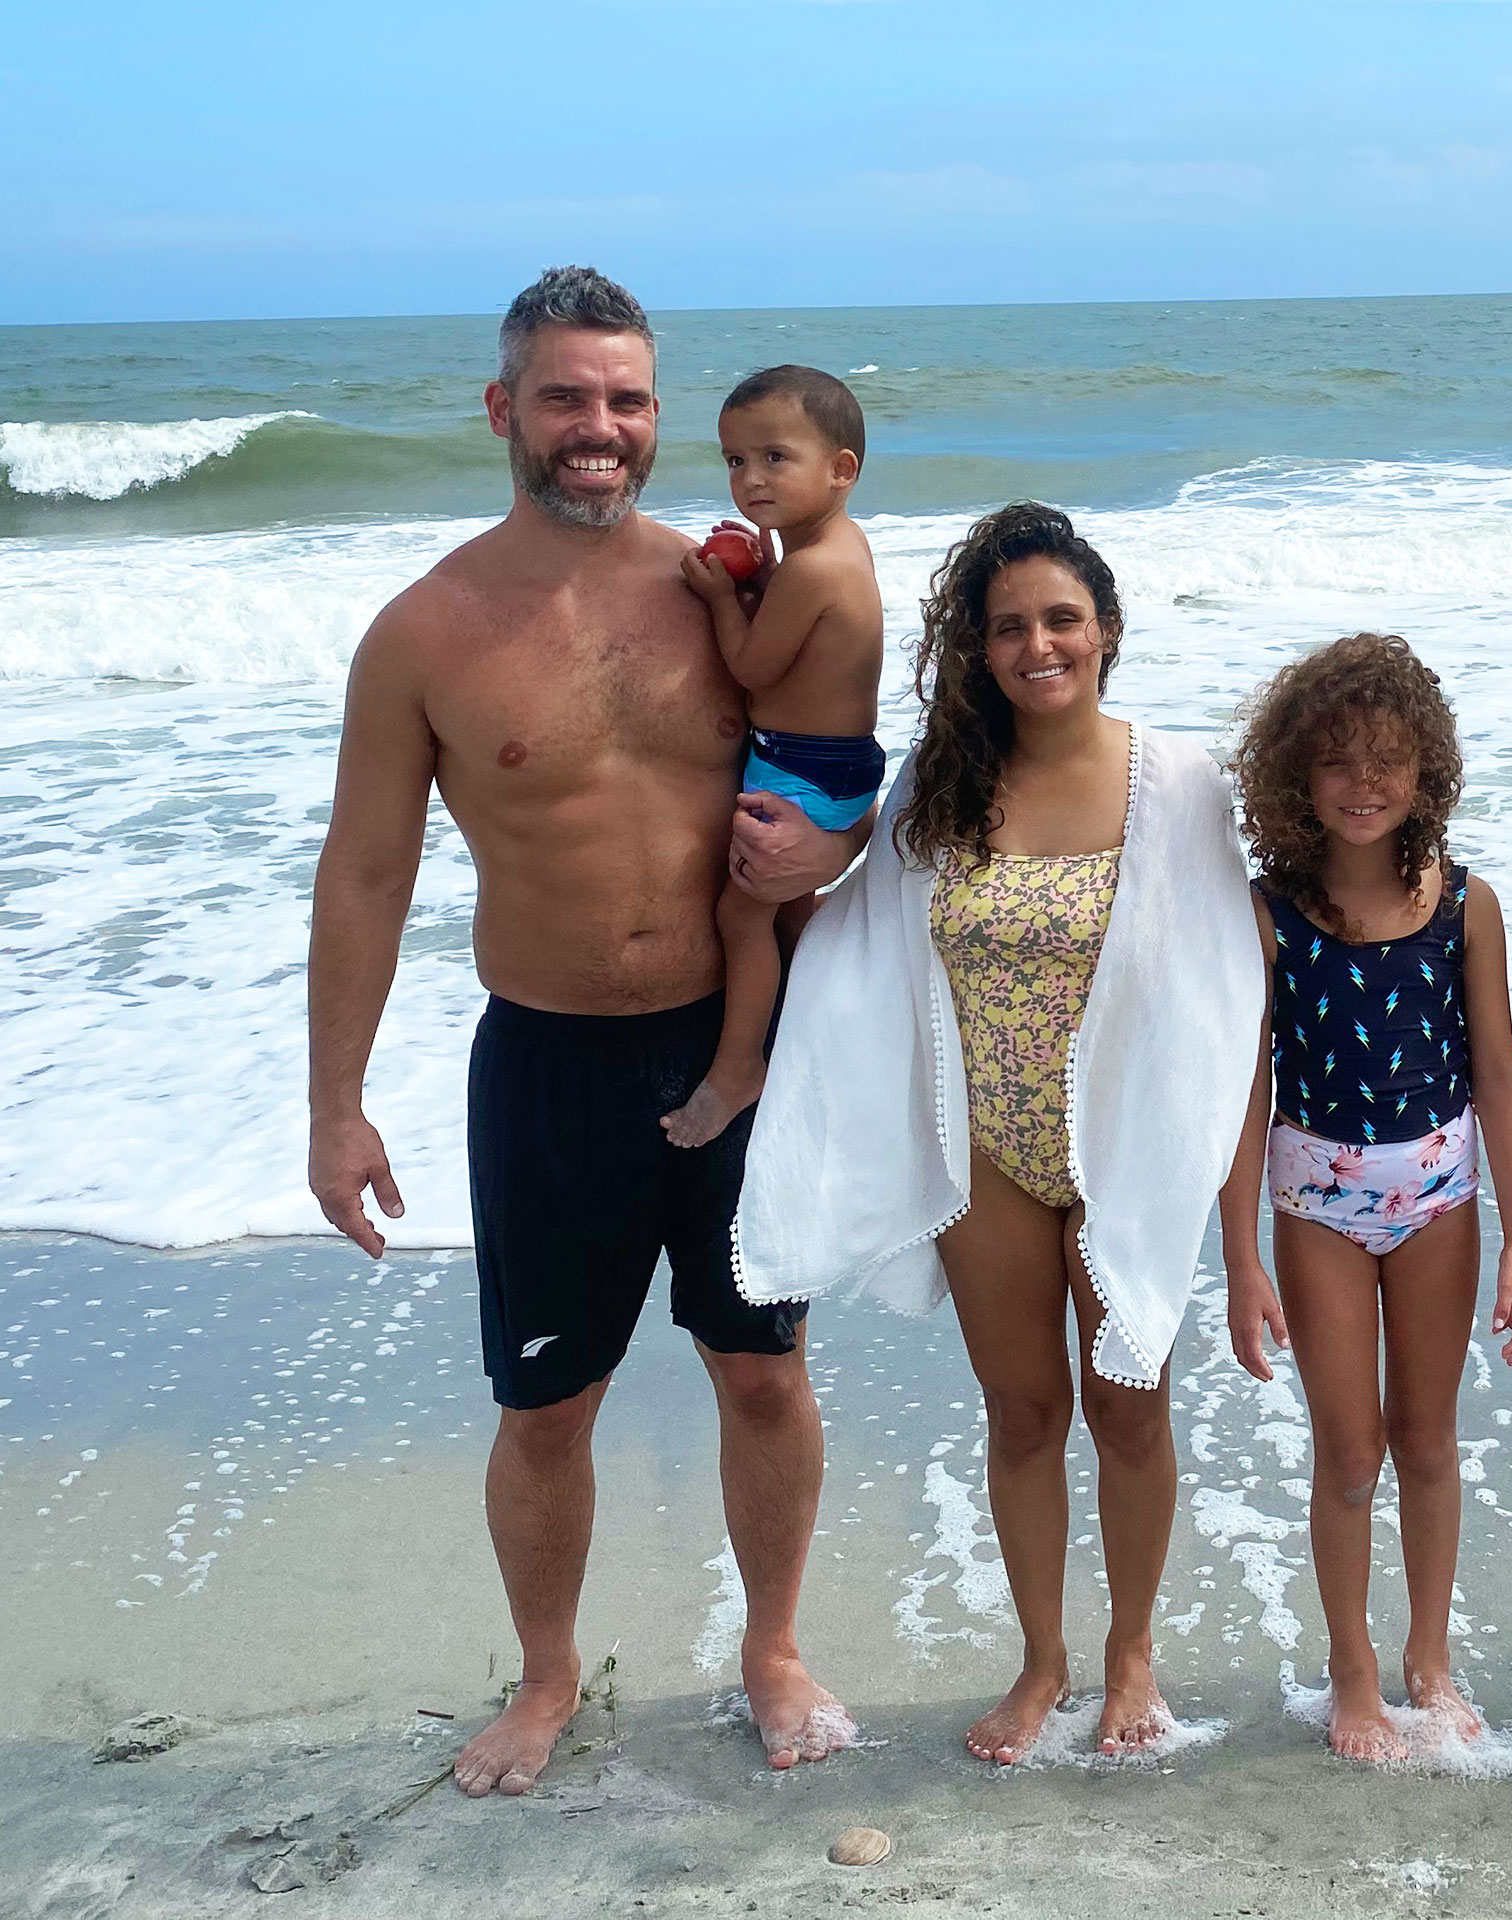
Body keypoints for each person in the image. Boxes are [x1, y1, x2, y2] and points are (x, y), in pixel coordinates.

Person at [305, 267, 850, 1797]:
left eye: (625, 400)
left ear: (657, 418)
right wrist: (333, 1105)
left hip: (737, 1046)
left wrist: (836, 856)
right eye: (564, 396)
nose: (597, 428)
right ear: (503, 412)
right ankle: (547, 1681)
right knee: (547, 1407)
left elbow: (837, 779)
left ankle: (775, 1650)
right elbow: (363, 872)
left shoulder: (733, 595)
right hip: (546, 1065)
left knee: (764, 1374)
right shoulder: (425, 631)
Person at [732, 502, 1264, 1762]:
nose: (1039, 643)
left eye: (1062, 618)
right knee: (1021, 1415)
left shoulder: (1179, 785)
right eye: (1010, 624)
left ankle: (1132, 1659)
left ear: (1108, 630)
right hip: (985, 1150)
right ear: (980, 646)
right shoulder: (944, 781)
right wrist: (785, 867)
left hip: (1126, 1148)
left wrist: (1240, 1245)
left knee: (1130, 1407)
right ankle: (1042, 1664)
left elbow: (1230, 1008)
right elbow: (865, 937)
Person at [1219, 633, 1512, 1763]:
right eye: (1338, 761)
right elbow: (1244, 1091)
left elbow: (1501, 1074)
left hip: (1444, 1199)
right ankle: (1352, 1670)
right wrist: (1242, 1261)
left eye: (1389, 761)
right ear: (1295, 779)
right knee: (1349, 1453)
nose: (1365, 784)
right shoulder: (1268, 914)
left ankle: (1430, 1658)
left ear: (1427, 774)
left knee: (1429, 1441)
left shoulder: (1465, 902)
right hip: (1314, 1204)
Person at [661, 366, 885, 1149]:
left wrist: (724, 600)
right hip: (834, 762)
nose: (750, 479)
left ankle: (736, 1070)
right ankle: (811, 1038)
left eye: (774, 458)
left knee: (739, 911)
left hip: (803, 770)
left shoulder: (815, 567)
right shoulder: (834, 547)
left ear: (841, 469)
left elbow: (755, 668)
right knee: (789, 908)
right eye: (733, 461)